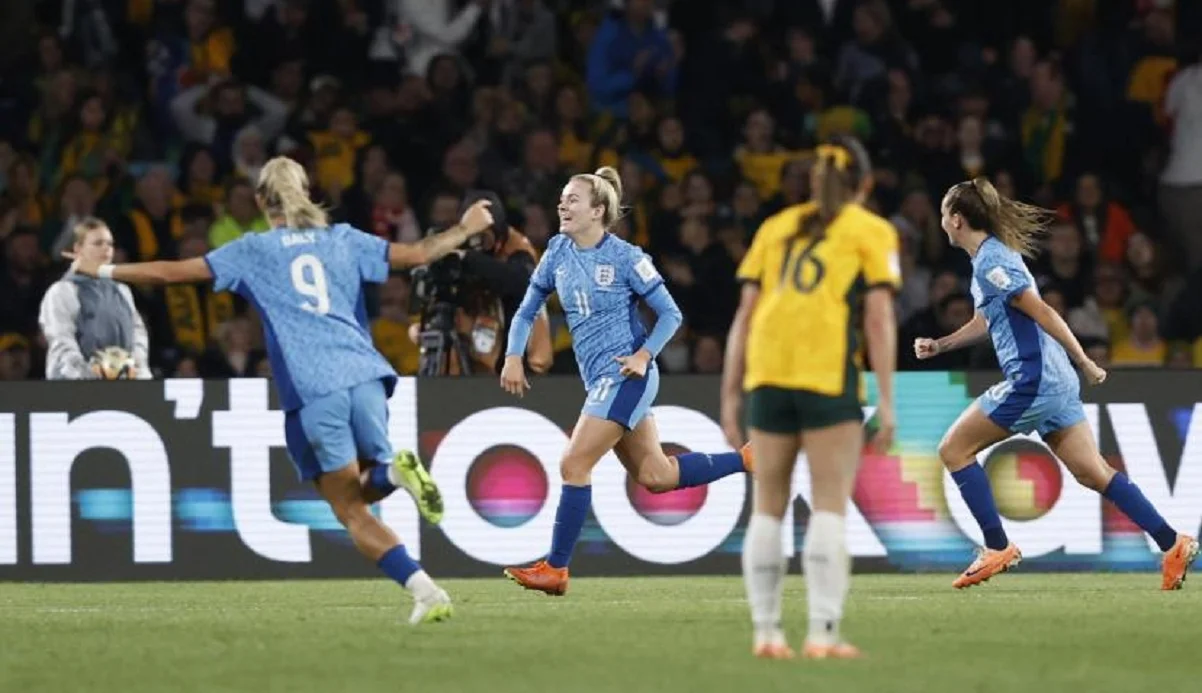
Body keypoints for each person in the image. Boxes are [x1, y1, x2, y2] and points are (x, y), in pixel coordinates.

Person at [65, 156, 496, 624]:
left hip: (315, 387)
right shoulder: (342, 238)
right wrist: (464, 228)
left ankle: (424, 587)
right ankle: (396, 480)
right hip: (367, 375)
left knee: (350, 509)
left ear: (259, 201)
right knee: (366, 488)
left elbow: (173, 273)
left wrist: (100, 272)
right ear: (306, 191)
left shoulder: (254, 250)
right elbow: (416, 255)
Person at [916, 177, 1199, 591]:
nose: (941, 221)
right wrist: (941, 344)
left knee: (953, 450)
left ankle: (996, 546)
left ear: (956, 219)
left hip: (1032, 380)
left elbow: (1045, 313)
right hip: (1055, 381)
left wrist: (1085, 361)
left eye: (944, 214)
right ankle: (1172, 543)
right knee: (1094, 473)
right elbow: (986, 320)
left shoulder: (992, 263)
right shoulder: (991, 259)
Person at [499, 166, 752, 596]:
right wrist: (512, 355)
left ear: (597, 210)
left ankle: (555, 569)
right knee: (656, 475)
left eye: (573, 199)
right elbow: (526, 311)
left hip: (625, 375)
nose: (562, 205)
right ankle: (747, 459)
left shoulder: (626, 257)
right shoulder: (557, 251)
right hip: (599, 379)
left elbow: (671, 314)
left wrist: (643, 355)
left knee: (573, 464)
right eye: (561, 198)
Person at [721, 136, 899, 660]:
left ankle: (767, 634)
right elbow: (878, 319)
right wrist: (888, 401)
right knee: (828, 504)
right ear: (865, 183)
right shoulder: (871, 230)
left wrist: (729, 395)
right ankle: (822, 634)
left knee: (767, 507)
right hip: (826, 378)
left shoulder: (775, 227)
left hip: (767, 376)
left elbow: (744, 316)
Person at [39, 217, 152, 380]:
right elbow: (61, 341)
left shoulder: (122, 291)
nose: (106, 248)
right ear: (78, 249)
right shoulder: (62, 291)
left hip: (122, 385)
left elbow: (138, 333)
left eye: (110, 244)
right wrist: (90, 376)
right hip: (75, 387)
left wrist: (136, 369)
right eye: (98, 243)